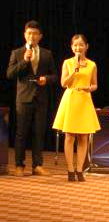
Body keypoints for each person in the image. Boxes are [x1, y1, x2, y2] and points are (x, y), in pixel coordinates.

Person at [6, 20, 57, 177]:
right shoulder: (17, 53)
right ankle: (19, 165)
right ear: (24, 35)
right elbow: (10, 74)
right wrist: (25, 61)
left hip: (41, 98)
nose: (32, 36)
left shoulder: (47, 54)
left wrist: (46, 79)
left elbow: (54, 76)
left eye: (35, 33)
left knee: (39, 132)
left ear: (40, 36)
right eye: (29, 33)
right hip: (23, 98)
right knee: (21, 133)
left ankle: (37, 165)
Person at [52, 34, 100, 182]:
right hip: (71, 98)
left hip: (84, 100)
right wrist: (75, 71)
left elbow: (95, 84)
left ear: (86, 46)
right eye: (75, 45)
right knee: (70, 135)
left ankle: (79, 170)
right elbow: (63, 83)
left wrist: (89, 88)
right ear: (72, 47)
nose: (78, 48)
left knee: (84, 136)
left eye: (81, 45)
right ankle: (70, 170)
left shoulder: (92, 65)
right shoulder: (67, 62)